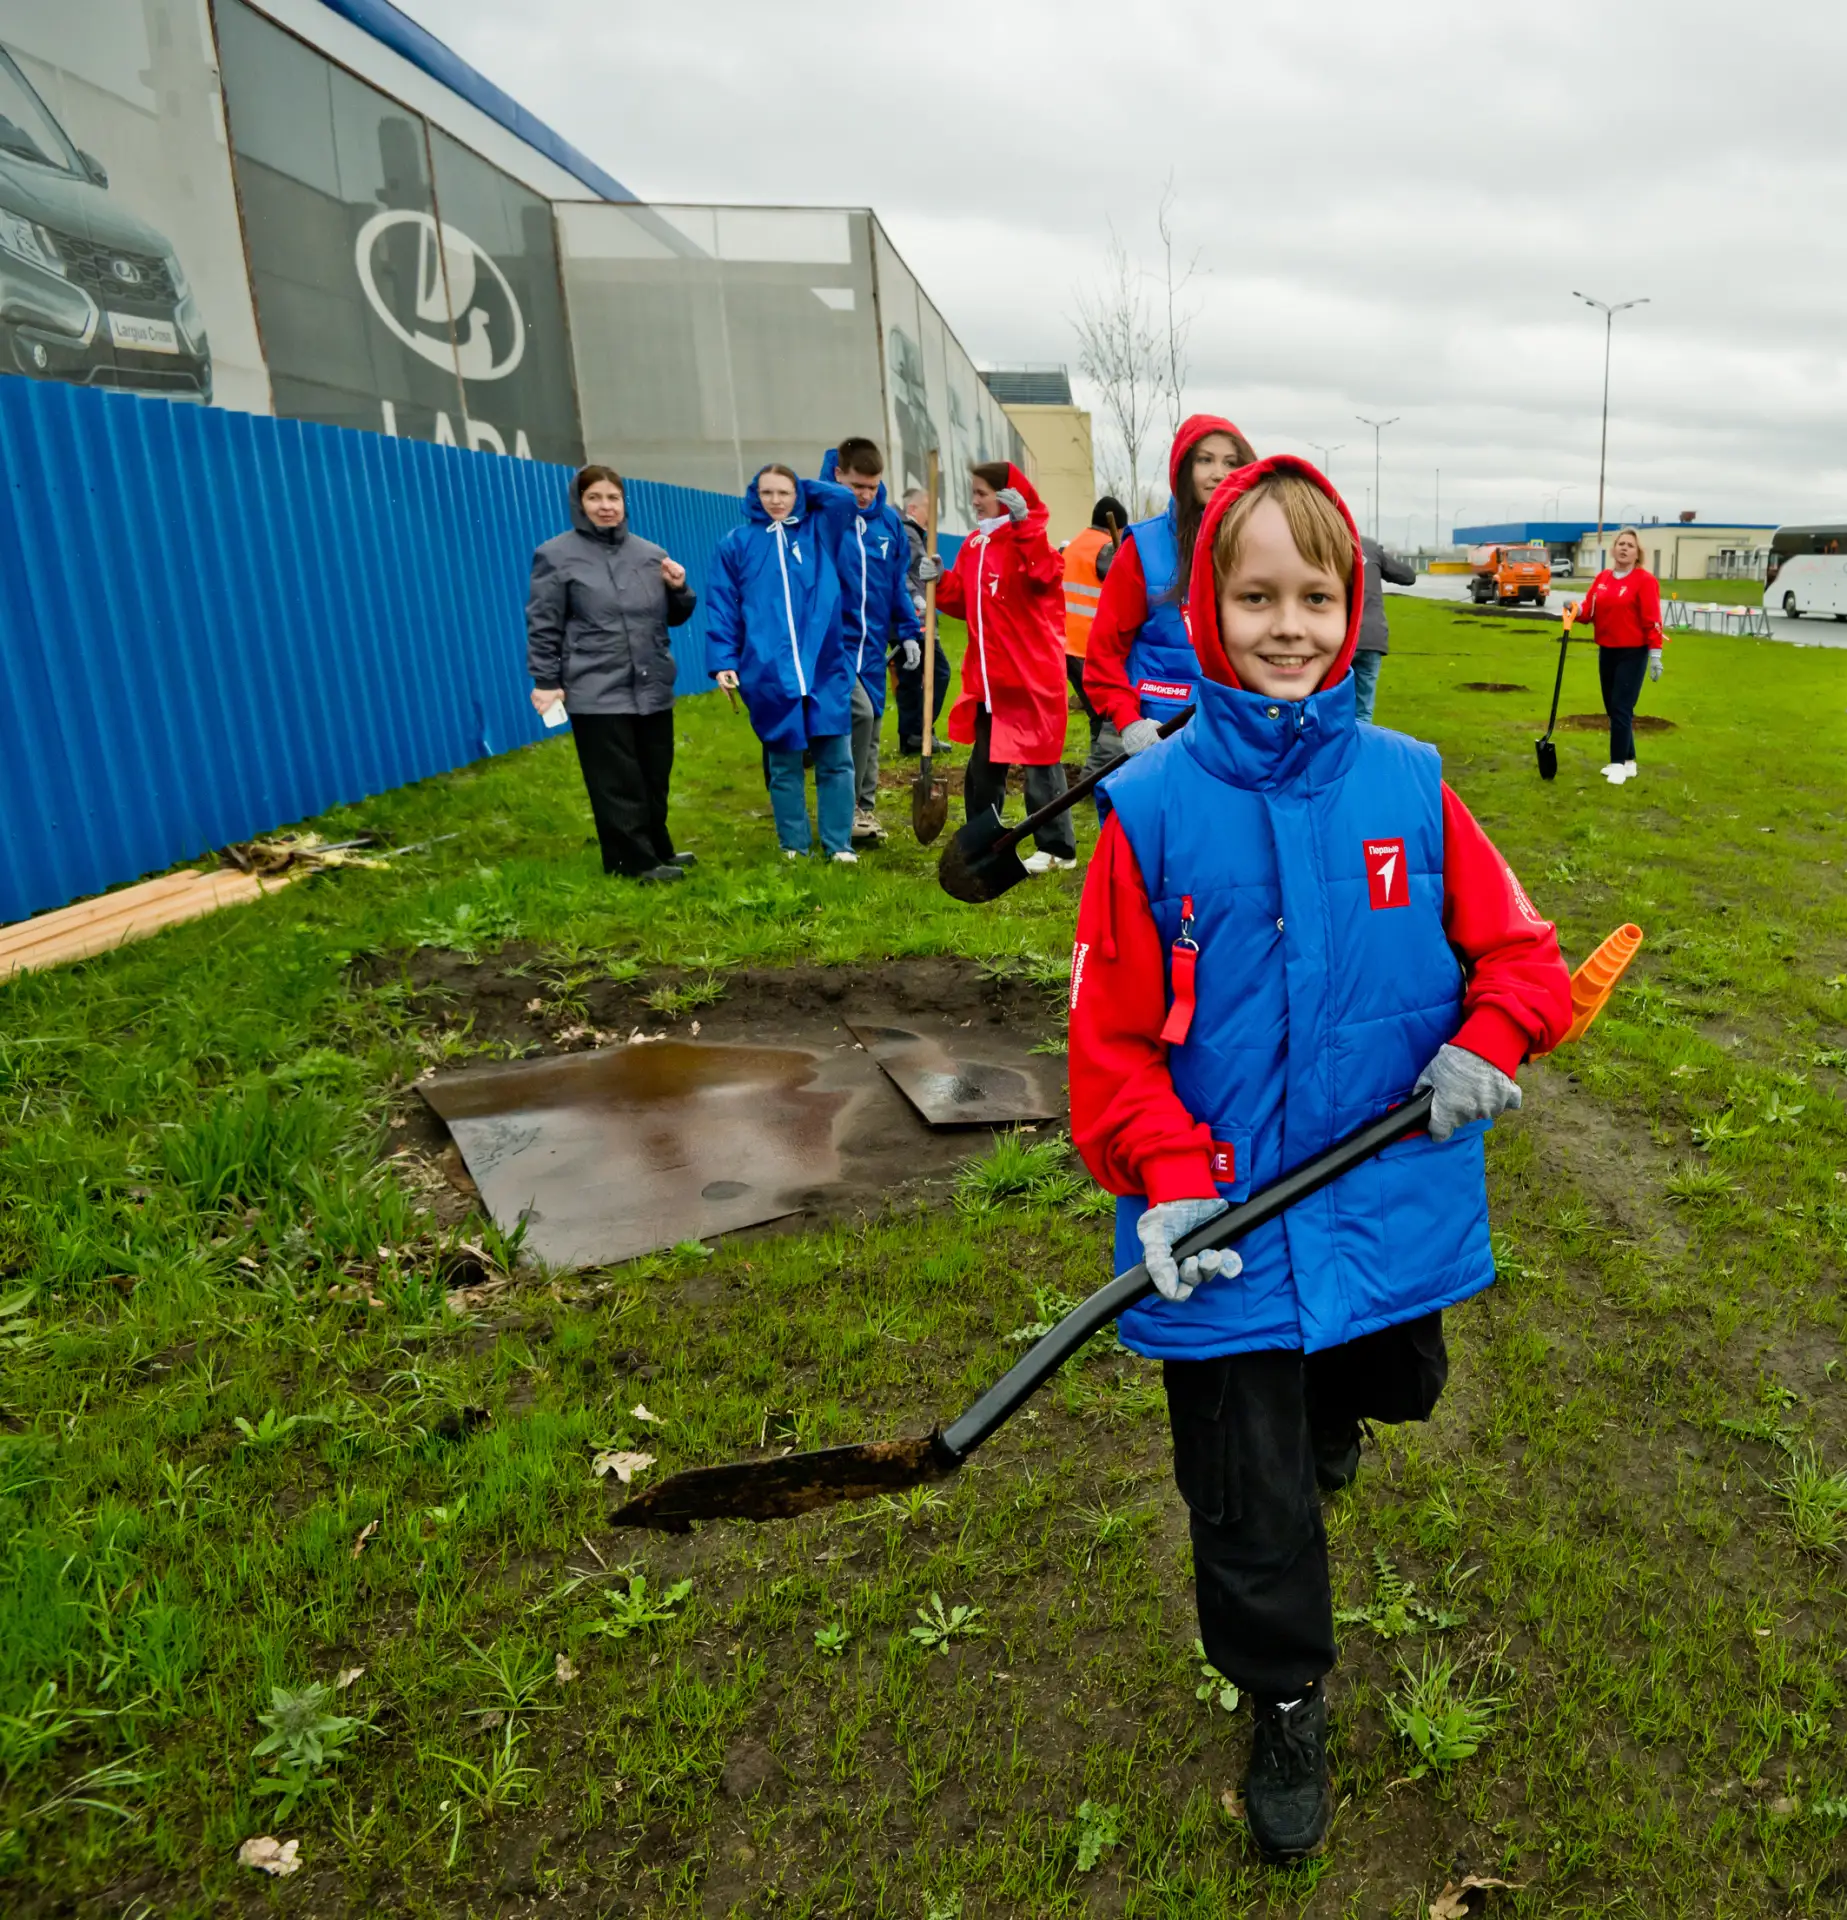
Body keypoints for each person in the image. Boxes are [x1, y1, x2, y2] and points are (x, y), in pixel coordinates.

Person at [1068, 456, 1573, 1861]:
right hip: (1220, 1222)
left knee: (1389, 1377)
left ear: (1350, 606)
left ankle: (1338, 1404)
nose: (1284, 625)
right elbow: (1106, 1036)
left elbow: (1521, 959)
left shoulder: (1407, 785)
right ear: (1206, 608)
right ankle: (1283, 1694)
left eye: (1312, 595)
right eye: (1252, 597)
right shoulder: (1152, 809)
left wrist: (1491, 1038)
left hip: (1375, 1201)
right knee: (1246, 1494)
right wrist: (1160, 1170)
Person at [527, 464, 698, 885]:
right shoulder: (556, 555)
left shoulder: (650, 554)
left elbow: (675, 617)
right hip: (595, 686)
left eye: (613, 498)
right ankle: (631, 862)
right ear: (579, 503)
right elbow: (544, 623)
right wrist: (546, 682)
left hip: (652, 683)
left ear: (624, 503)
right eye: (595, 498)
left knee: (654, 772)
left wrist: (679, 588)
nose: (606, 507)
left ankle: (657, 847)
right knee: (616, 780)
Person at [706, 464, 858, 864]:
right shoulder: (737, 543)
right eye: (766, 492)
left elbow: (843, 498)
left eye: (783, 493)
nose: (774, 500)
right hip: (769, 670)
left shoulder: (819, 531)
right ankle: (794, 844)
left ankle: (838, 844)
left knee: (836, 759)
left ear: (797, 496)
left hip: (824, 666)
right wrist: (724, 659)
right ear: (754, 495)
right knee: (784, 762)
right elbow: (722, 604)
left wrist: (801, 486)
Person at [1084, 415, 1257, 752]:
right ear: (1183, 468)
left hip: (1239, 729)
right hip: (1161, 730)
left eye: (1230, 462)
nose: (1219, 473)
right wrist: (1129, 721)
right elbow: (1104, 652)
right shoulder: (1143, 548)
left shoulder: (1258, 544)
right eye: (1205, 460)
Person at [935, 463, 1075, 873]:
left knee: (1039, 761)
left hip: (1029, 673)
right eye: (973, 492)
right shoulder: (975, 545)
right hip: (988, 678)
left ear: (1008, 494)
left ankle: (1057, 849)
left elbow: (1045, 577)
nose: (974, 500)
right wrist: (940, 582)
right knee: (983, 764)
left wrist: (1025, 527)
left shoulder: (1030, 540)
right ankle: (982, 840)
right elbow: (965, 601)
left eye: (981, 492)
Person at [813, 440, 921, 841]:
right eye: (857, 485)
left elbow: (895, 583)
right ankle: (844, 806)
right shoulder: (820, 515)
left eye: (872, 487)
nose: (865, 495)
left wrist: (908, 630)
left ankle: (863, 811)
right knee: (855, 716)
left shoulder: (888, 523)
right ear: (839, 475)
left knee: (873, 721)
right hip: (832, 642)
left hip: (871, 643)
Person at [1566, 527, 1664, 784]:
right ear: (1613, 549)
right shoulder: (1602, 579)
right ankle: (1629, 761)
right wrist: (1575, 610)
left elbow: (1652, 620)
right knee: (1613, 708)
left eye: (1630, 545)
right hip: (1607, 649)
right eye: (1621, 544)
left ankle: (1617, 764)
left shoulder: (1644, 581)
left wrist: (1655, 656)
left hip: (1633, 652)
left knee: (1622, 706)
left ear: (1637, 553)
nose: (1624, 548)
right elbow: (1589, 611)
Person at [1063, 495, 1127, 775]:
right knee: (1108, 713)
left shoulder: (1076, 545)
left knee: (1096, 713)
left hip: (1065, 643)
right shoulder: (1106, 550)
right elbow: (1124, 584)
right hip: (1086, 645)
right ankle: (1094, 776)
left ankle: (1096, 771)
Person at [896, 485, 952, 754]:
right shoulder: (907, 534)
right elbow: (904, 573)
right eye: (928, 508)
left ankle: (914, 735)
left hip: (912, 618)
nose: (933, 514)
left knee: (911, 678)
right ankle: (918, 732)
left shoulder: (914, 534)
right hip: (914, 620)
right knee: (937, 672)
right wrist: (916, 599)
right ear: (913, 509)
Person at [1351, 535, 1418, 724]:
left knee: (1334, 702)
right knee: (1363, 709)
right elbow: (1407, 576)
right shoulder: (1371, 547)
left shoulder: (1330, 545)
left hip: (1344, 639)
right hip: (1373, 637)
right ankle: (1360, 750)